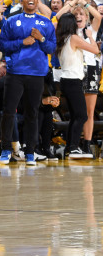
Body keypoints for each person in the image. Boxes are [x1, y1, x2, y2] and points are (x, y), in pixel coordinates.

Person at [0, 0, 56, 165]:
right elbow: (2, 44)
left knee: (33, 113)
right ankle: (6, 149)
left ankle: (30, 151)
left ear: (38, 1)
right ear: (21, 2)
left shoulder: (46, 23)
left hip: (37, 73)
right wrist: (22, 42)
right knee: (9, 112)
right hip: (15, 72)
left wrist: (41, 39)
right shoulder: (12, 21)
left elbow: (52, 49)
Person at [54, 13, 100, 159]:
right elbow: (96, 50)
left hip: (67, 81)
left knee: (75, 116)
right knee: (81, 115)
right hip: (73, 81)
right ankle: (73, 148)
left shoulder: (63, 39)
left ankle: (70, 147)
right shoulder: (74, 38)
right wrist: (91, 36)